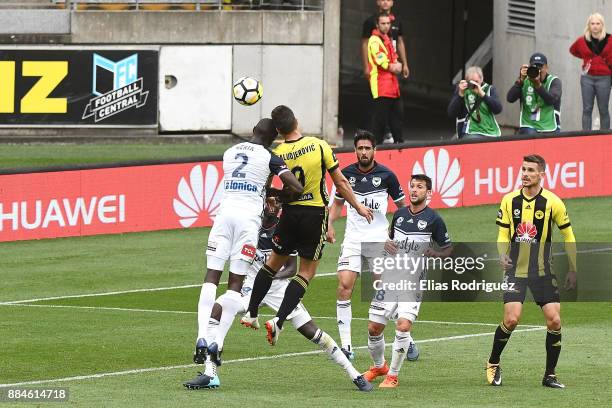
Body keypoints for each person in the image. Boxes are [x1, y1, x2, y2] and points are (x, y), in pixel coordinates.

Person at [184, 200, 373, 392]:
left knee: (311, 331)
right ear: (262, 204)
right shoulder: (249, 228)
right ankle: (210, 373)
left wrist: (268, 277)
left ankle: (354, 374)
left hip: (277, 290)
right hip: (251, 289)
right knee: (218, 308)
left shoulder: (283, 229)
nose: (273, 207)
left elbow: (291, 268)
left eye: (277, 203)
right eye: (270, 202)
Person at [241, 105, 374, 346]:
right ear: (297, 121)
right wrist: (359, 207)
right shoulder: (319, 145)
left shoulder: (278, 151)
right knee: (306, 272)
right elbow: (341, 183)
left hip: (289, 214)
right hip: (314, 213)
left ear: (279, 130)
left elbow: (268, 185)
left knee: (271, 264)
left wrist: (272, 199)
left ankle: (251, 313)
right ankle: (279, 321)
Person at [188, 118, 303, 386]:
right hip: (248, 222)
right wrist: (274, 193)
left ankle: (202, 336)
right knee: (235, 285)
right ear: (273, 139)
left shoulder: (229, 153)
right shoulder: (270, 157)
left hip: (224, 215)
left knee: (211, 277)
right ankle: (216, 344)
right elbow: (295, 188)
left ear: (253, 132)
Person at [486, 154, 577, 389]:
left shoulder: (553, 202)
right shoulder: (509, 200)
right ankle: (493, 361)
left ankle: (550, 375)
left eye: (530, 170)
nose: (525, 174)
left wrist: (573, 268)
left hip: (543, 271)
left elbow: (568, 235)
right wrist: (501, 252)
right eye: (523, 169)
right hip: (515, 270)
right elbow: (503, 233)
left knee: (555, 321)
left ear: (541, 175)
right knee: (512, 319)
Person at [327, 130, 414, 361]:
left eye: (367, 148)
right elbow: (336, 205)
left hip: (378, 239)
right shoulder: (344, 175)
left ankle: (406, 337)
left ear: (375, 149)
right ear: (355, 150)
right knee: (345, 285)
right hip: (353, 239)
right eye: (360, 148)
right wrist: (329, 224)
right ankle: (346, 345)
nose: (363, 152)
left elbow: (402, 208)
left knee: (382, 290)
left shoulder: (387, 176)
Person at [362, 174, 452, 388]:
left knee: (403, 326)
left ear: (428, 193)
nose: (414, 190)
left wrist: (435, 254)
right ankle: (378, 366)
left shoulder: (434, 219)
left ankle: (392, 375)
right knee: (374, 328)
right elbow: (391, 242)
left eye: (419, 187)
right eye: (412, 186)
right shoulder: (400, 215)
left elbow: (448, 249)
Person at [570, 12, 612, 130]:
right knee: (587, 109)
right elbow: (572, 50)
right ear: (588, 25)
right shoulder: (582, 40)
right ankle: (585, 137)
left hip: (604, 78)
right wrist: (586, 58)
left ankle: (605, 137)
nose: (595, 26)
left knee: (603, 109)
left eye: (598, 23)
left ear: (602, 25)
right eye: (592, 23)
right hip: (587, 78)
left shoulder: (610, 40)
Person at [368, 13, 404, 144]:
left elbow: (393, 57)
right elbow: (381, 61)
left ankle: (399, 145)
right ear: (377, 25)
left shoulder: (386, 38)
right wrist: (395, 66)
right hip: (381, 86)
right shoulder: (374, 40)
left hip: (393, 87)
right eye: (383, 23)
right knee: (379, 123)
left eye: (388, 23)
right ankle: (375, 149)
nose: (386, 26)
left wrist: (398, 64)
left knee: (397, 119)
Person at [507, 53, 562, 134]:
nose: (538, 70)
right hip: (529, 125)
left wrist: (538, 85)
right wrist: (520, 81)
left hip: (550, 125)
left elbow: (551, 100)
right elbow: (510, 99)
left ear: (546, 68)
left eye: (540, 66)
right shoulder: (524, 81)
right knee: (530, 134)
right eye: (535, 67)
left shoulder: (554, 81)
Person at [447, 66, 502, 139]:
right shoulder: (463, 91)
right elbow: (451, 113)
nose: (474, 84)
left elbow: (498, 109)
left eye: (476, 82)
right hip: (471, 131)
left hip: (491, 131)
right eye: (471, 82)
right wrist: (460, 95)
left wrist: (482, 94)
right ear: (466, 81)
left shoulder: (489, 89)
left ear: (482, 79)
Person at [361, 0, 409, 81]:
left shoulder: (397, 21)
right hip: (377, 62)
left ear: (392, 3)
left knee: (391, 90)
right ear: (378, 2)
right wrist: (366, 66)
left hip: (393, 61)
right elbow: (364, 44)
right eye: (383, 0)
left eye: (388, 0)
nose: (385, 2)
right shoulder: (370, 21)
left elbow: (400, 42)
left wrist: (405, 64)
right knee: (379, 89)